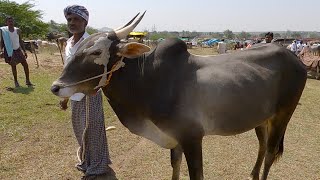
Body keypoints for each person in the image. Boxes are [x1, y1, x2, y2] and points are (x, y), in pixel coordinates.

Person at [59, 5, 116, 180]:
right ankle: (88, 161)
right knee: (79, 130)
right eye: (69, 19)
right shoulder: (68, 43)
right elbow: (66, 72)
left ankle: (98, 167)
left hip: (89, 93)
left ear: (85, 21)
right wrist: (65, 97)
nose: (72, 23)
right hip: (74, 94)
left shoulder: (91, 43)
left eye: (76, 19)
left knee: (93, 131)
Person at [0, 16, 33, 88]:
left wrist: (24, 51)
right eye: (9, 21)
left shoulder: (17, 30)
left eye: (12, 21)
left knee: (25, 65)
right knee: (13, 66)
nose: (10, 23)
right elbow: (2, 41)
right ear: (6, 23)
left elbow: (20, 41)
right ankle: (16, 82)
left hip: (18, 50)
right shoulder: (4, 31)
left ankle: (27, 81)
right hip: (10, 51)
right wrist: (1, 50)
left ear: (13, 22)